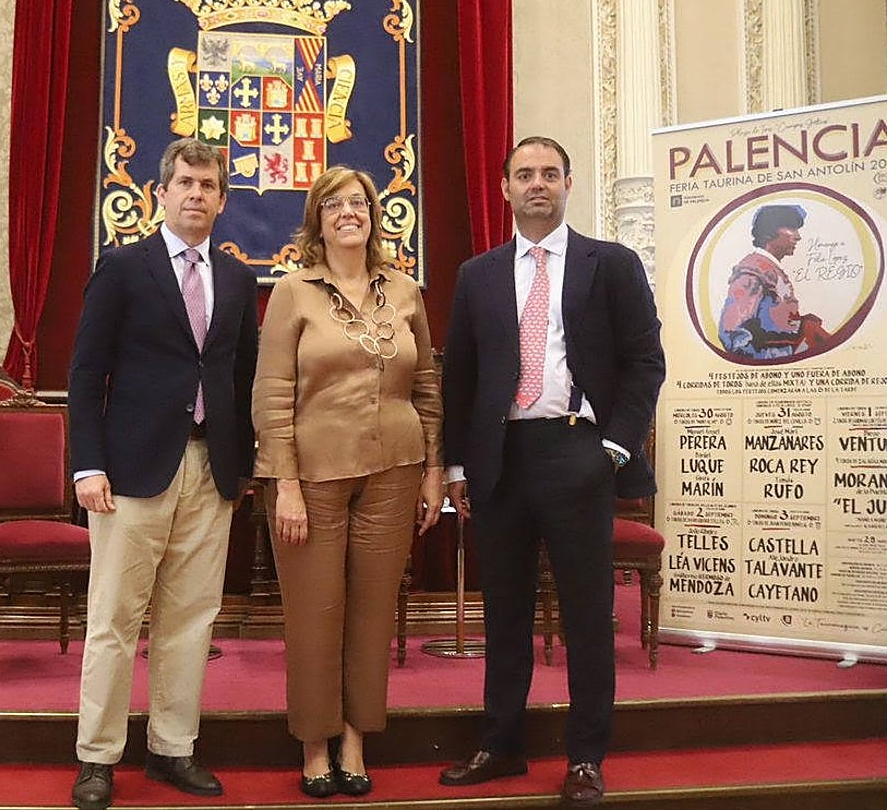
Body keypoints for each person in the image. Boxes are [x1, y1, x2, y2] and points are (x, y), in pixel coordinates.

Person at [439, 136, 665, 806]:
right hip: (500, 461)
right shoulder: (477, 274)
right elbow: (461, 375)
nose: (536, 184)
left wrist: (616, 448)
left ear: (569, 183)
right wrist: (457, 463)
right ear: (505, 188)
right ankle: (502, 744)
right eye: (523, 174)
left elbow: (645, 362)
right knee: (504, 612)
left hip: (578, 453)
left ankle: (586, 758)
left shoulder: (612, 264)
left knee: (588, 616)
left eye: (548, 173)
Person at [68, 138, 259, 810]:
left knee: (191, 620)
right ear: (162, 192)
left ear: (222, 200)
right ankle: (97, 756)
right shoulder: (123, 267)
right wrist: (87, 464)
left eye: (208, 186)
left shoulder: (237, 279)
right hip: (128, 474)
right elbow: (87, 372)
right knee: (114, 620)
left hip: (212, 469)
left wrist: (244, 465)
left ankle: (172, 748)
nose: (196, 194)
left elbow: (242, 377)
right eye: (185, 183)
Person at [253, 166, 444, 799]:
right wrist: (283, 481)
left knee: (372, 613)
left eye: (358, 202)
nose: (348, 212)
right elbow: (272, 393)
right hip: (311, 477)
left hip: (396, 469)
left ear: (373, 215)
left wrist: (434, 470)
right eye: (334, 204)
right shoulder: (292, 292)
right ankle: (315, 744)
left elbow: (427, 386)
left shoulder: (406, 290)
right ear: (318, 217)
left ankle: (356, 740)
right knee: (315, 615)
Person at [719, 204, 830, 359]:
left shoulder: (768, 268)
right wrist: (782, 359)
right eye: (791, 228)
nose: (798, 236)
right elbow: (733, 335)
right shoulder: (752, 271)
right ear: (769, 232)